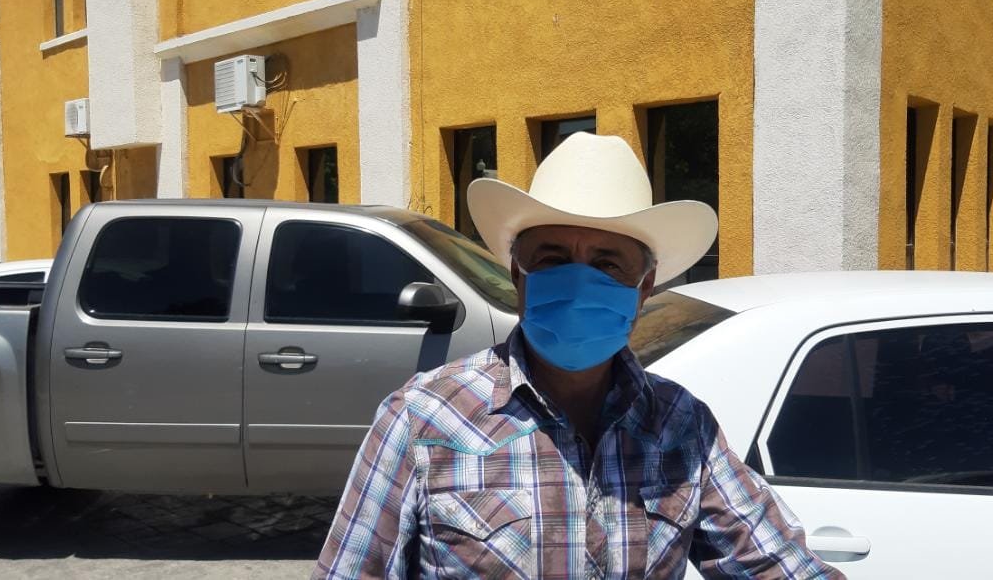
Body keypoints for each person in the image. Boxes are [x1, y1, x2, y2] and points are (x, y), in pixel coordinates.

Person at [313, 133, 842, 579]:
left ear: (644, 287)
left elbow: (777, 564)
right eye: (553, 259)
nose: (578, 283)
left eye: (607, 264)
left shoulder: (681, 427)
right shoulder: (423, 420)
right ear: (518, 275)